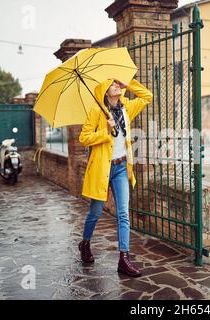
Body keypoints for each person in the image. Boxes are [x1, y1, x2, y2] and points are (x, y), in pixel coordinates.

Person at [78, 77, 152, 277]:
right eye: (113, 84)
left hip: (121, 167)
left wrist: (130, 84)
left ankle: (124, 258)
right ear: (104, 91)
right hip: (102, 170)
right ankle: (85, 243)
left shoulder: (126, 107)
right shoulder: (96, 111)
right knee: (95, 212)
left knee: (123, 214)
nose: (117, 86)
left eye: (118, 84)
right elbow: (83, 138)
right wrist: (106, 130)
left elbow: (148, 97)